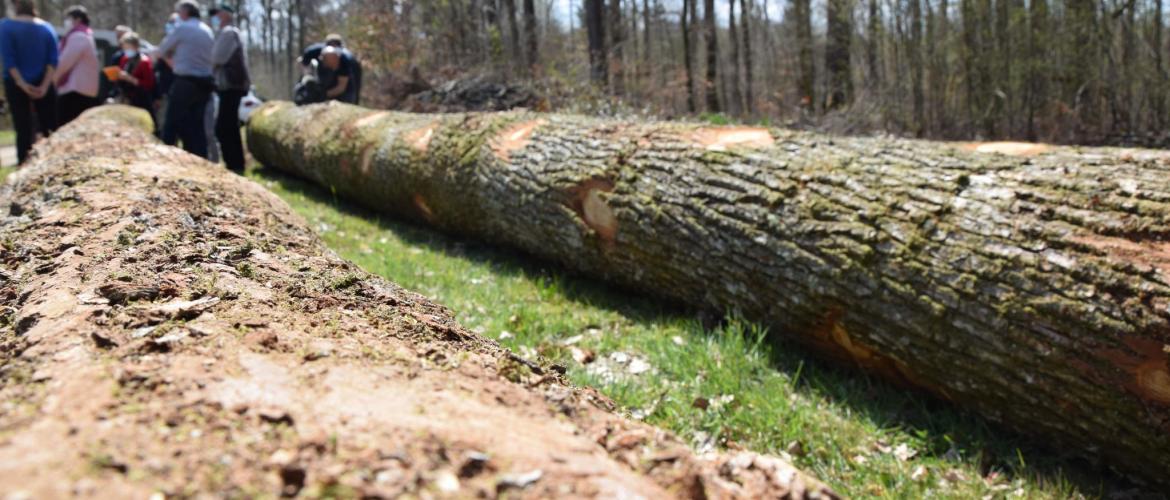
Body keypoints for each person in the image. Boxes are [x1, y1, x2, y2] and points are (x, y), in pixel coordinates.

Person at [153, 0, 214, 158]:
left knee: (172, 121)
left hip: (186, 81)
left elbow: (161, 50)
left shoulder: (183, 28)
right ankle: (200, 158)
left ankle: (165, 157)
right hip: (205, 82)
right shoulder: (207, 30)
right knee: (197, 125)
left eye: (179, 12)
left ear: (185, 13)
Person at [0, 0, 57, 164]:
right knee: (49, 128)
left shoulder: (6, 26)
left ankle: (23, 164)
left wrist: (23, 85)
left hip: (16, 84)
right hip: (43, 84)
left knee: (22, 128)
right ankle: (51, 161)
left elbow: (9, 61)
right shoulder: (47, 27)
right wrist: (45, 86)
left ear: (16, 5)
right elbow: (52, 61)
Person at [209, 3, 249, 173]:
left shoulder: (228, 33)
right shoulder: (232, 32)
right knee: (230, 125)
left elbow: (216, 58)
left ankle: (234, 164)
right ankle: (236, 163)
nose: (215, 18)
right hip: (233, 85)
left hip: (231, 85)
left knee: (224, 126)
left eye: (217, 14)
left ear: (225, 15)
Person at [55, 5, 99, 126]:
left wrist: (52, 78)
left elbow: (64, 62)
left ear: (78, 19)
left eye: (69, 18)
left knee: (66, 124)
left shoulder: (79, 36)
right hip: (81, 90)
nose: (66, 22)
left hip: (75, 90)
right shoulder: (86, 35)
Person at [300, 34, 361, 104]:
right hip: (321, 78)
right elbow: (302, 62)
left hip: (345, 84)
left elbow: (341, 87)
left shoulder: (346, 60)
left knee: (349, 98)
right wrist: (307, 76)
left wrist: (323, 95)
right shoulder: (312, 51)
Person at [114, 32, 154, 117]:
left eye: (128, 47)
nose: (126, 49)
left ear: (135, 46)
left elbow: (149, 84)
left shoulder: (144, 61)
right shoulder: (125, 59)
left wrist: (130, 79)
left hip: (140, 100)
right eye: (124, 47)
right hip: (126, 97)